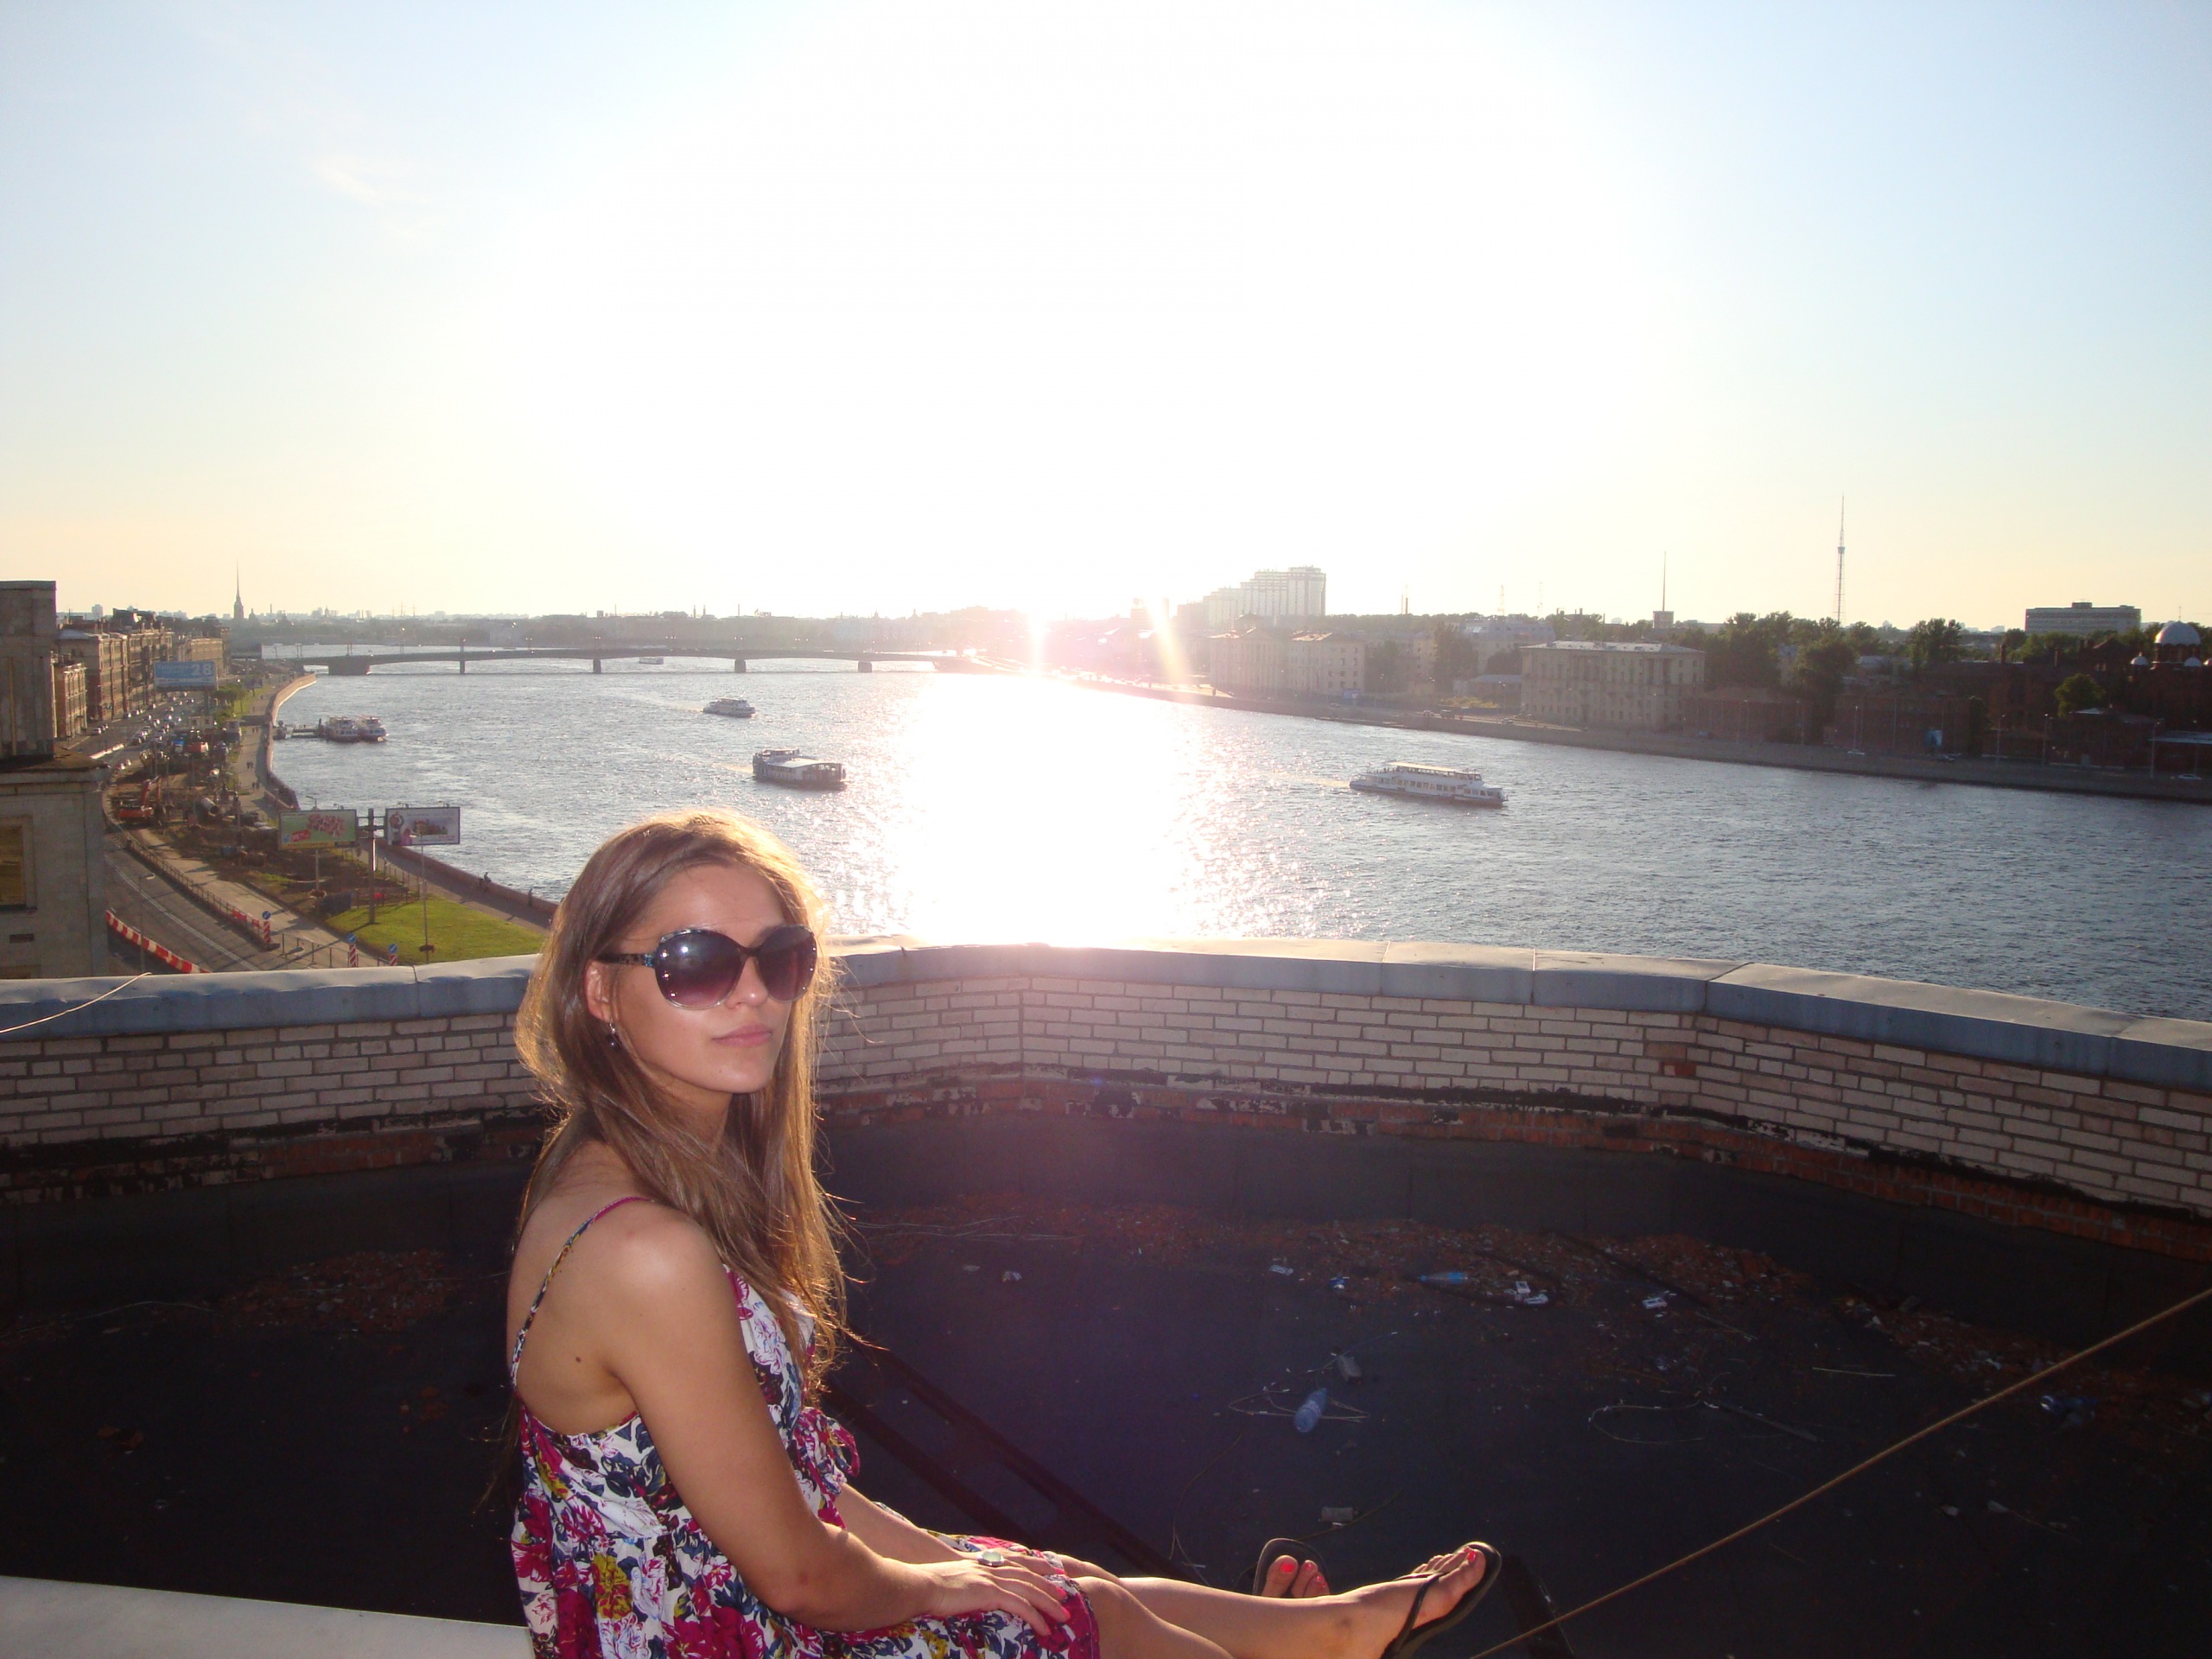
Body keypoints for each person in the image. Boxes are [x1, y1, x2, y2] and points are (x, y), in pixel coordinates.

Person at [506, 809, 1497, 1659]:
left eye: (780, 958)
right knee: (1076, 1616)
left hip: (720, 1592)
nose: (755, 994)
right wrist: (941, 1584)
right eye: (696, 964)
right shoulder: (646, 1252)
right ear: (600, 992)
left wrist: (958, 1567)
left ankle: (1325, 1634)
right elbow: (801, 1576)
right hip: (723, 1630)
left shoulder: (623, 1169)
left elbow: (793, 1483)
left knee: (1059, 1582)